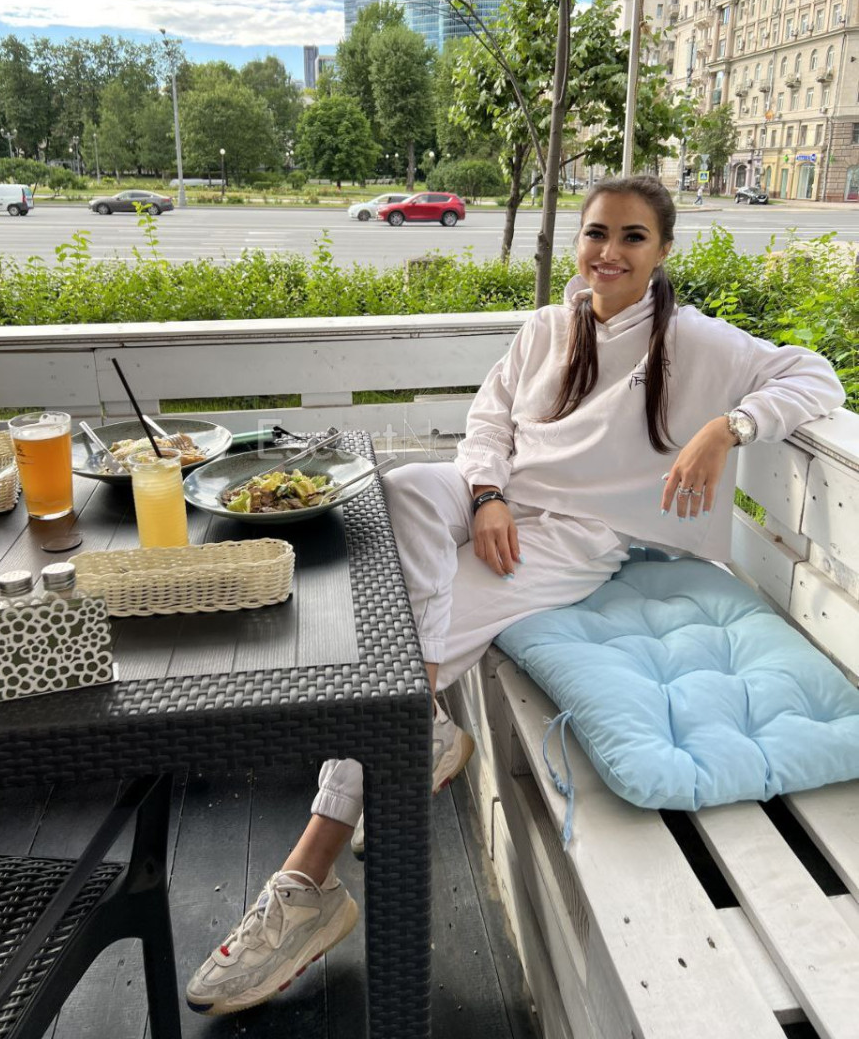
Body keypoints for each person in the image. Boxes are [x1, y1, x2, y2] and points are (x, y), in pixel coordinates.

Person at [185, 176, 845, 1018]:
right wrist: (488, 493)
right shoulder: (546, 327)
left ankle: (308, 878)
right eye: (597, 232)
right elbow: (488, 423)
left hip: (574, 538)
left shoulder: (694, 342)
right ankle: (418, 716)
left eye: (633, 237)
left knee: (400, 648)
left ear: (663, 250)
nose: (609, 252)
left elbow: (813, 375)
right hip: (499, 505)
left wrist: (728, 427)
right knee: (402, 488)